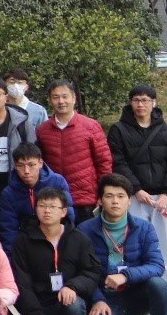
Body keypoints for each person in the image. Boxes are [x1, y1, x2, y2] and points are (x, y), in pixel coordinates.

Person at [80, 174, 167, 315]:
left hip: (134, 294)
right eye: (109, 196)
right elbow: (81, 271)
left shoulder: (144, 228)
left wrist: (125, 275)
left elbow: (157, 265)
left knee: (161, 286)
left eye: (121, 196)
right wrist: (97, 299)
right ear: (100, 200)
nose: (115, 201)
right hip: (104, 295)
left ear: (129, 201)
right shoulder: (85, 230)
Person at [106, 83, 167, 315]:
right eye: (136, 100)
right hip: (134, 198)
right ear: (131, 103)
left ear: (154, 103)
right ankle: (136, 294)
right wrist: (136, 189)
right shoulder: (118, 130)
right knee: (133, 246)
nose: (141, 104)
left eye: (145, 100)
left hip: (162, 199)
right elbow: (118, 162)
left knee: (165, 246)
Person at [10, 186, 101, 315]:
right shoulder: (23, 241)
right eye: (42, 206)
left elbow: (92, 271)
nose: (47, 211)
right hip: (39, 304)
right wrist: (34, 314)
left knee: (75, 305)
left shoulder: (79, 239)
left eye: (53, 206)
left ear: (64, 211)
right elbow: (22, 281)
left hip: (66, 301)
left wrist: (72, 286)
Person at [34, 79, 111, 221]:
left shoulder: (91, 126)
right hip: (55, 200)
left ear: (73, 98)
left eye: (65, 96)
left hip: (86, 199)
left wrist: (103, 193)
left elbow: (104, 162)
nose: (61, 101)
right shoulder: (43, 130)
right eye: (56, 97)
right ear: (50, 100)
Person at [0, 143, 75, 252]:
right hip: (26, 243)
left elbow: (68, 218)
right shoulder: (8, 193)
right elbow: (8, 231)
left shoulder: (57, 182)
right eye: (21, 165)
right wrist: (13, 258)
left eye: (31, 165)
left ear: (40, 163)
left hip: (56, 239)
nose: (26, 171)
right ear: (15, 166)